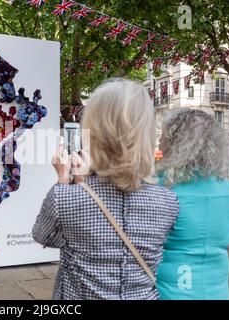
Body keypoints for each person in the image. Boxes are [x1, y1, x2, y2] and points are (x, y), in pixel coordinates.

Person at [32, 78, 179, 300]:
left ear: (93, 131)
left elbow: (45, 236)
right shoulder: (169, 201)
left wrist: (64, 179)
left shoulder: (65, 197)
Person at [156, 109, 229, 300]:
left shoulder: (158, 185)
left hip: (168, 292)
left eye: (164, 136)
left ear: (176, 142)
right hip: (217, 292)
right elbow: (228, 242)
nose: (159, 141)